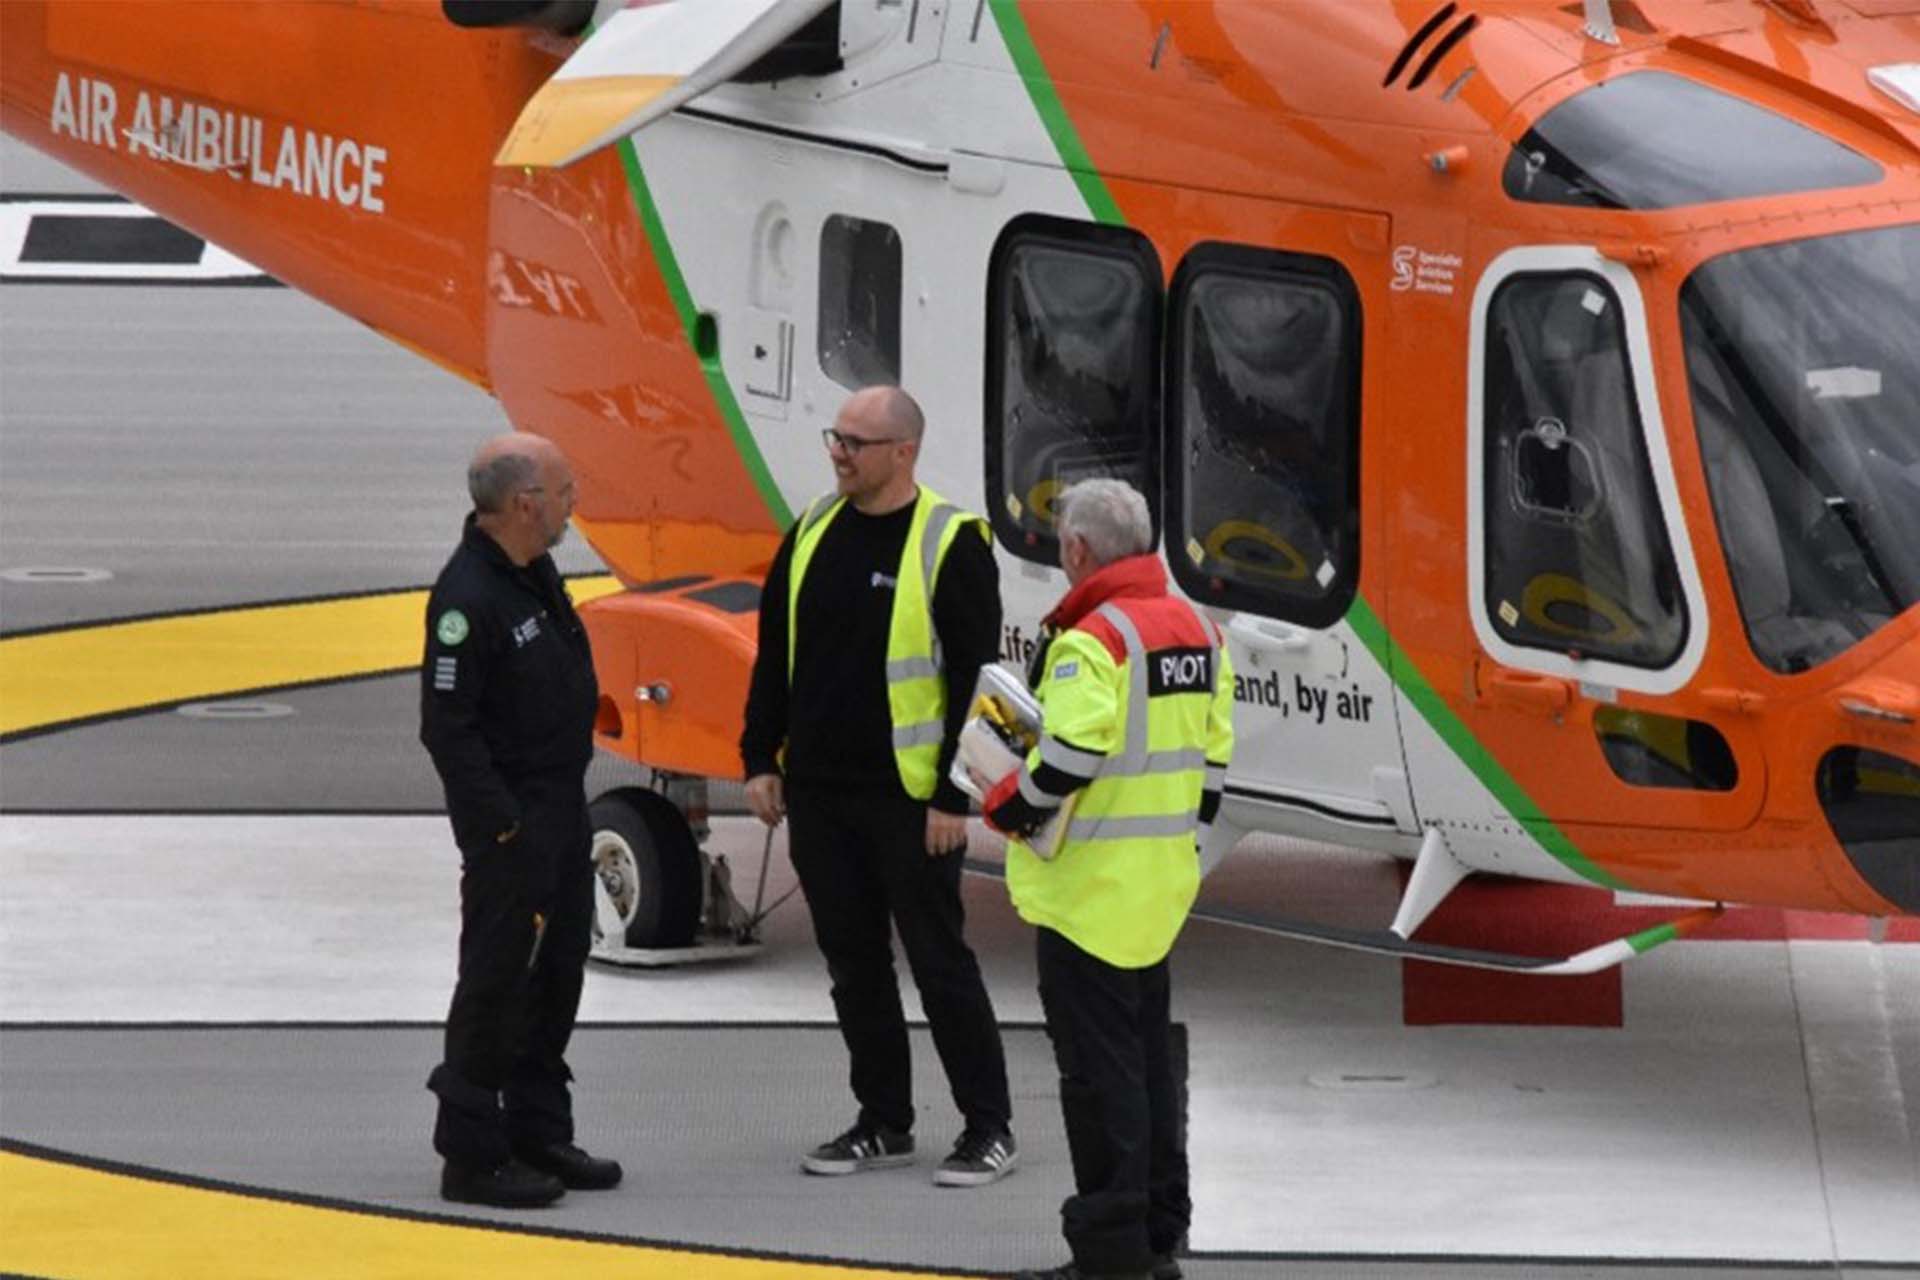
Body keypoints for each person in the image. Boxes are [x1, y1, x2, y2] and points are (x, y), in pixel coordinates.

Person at [741, 385, 1017, 1187]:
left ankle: (988, 1127)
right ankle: (884, 1121)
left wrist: (951, 797)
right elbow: (775, 652)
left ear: (905, 452)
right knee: (853, 966)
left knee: (940, 964)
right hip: (821, 794)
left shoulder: (950, 542)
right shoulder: (813, 530)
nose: (838, 453)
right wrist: (760, 756)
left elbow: (980, 684)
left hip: (909, 802)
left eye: (857, 443)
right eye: (836, 438)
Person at [981, 479, 1234, 1280]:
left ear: (1080, 550)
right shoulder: (1199, 630)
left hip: (1086, 897)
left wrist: (1008, 805)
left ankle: (1111, 1251)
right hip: (1156, 894)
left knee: (1098, 1083)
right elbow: (1215, 761)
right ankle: (1158, 1236)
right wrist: (1181, 849)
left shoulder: (1094, 638)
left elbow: (1070, 755)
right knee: (1151, 1074)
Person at [419, 432, 621, 1208]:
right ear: (524, 504)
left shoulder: (530, 571)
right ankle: (470, 1155)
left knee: (559, 970)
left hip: (559, 807)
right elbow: (448, 729)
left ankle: (536, 1128)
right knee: (498, 983)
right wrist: (501, 827)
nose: (576, 503)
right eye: (566, 491)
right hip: (514, 823)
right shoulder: (468, 599)